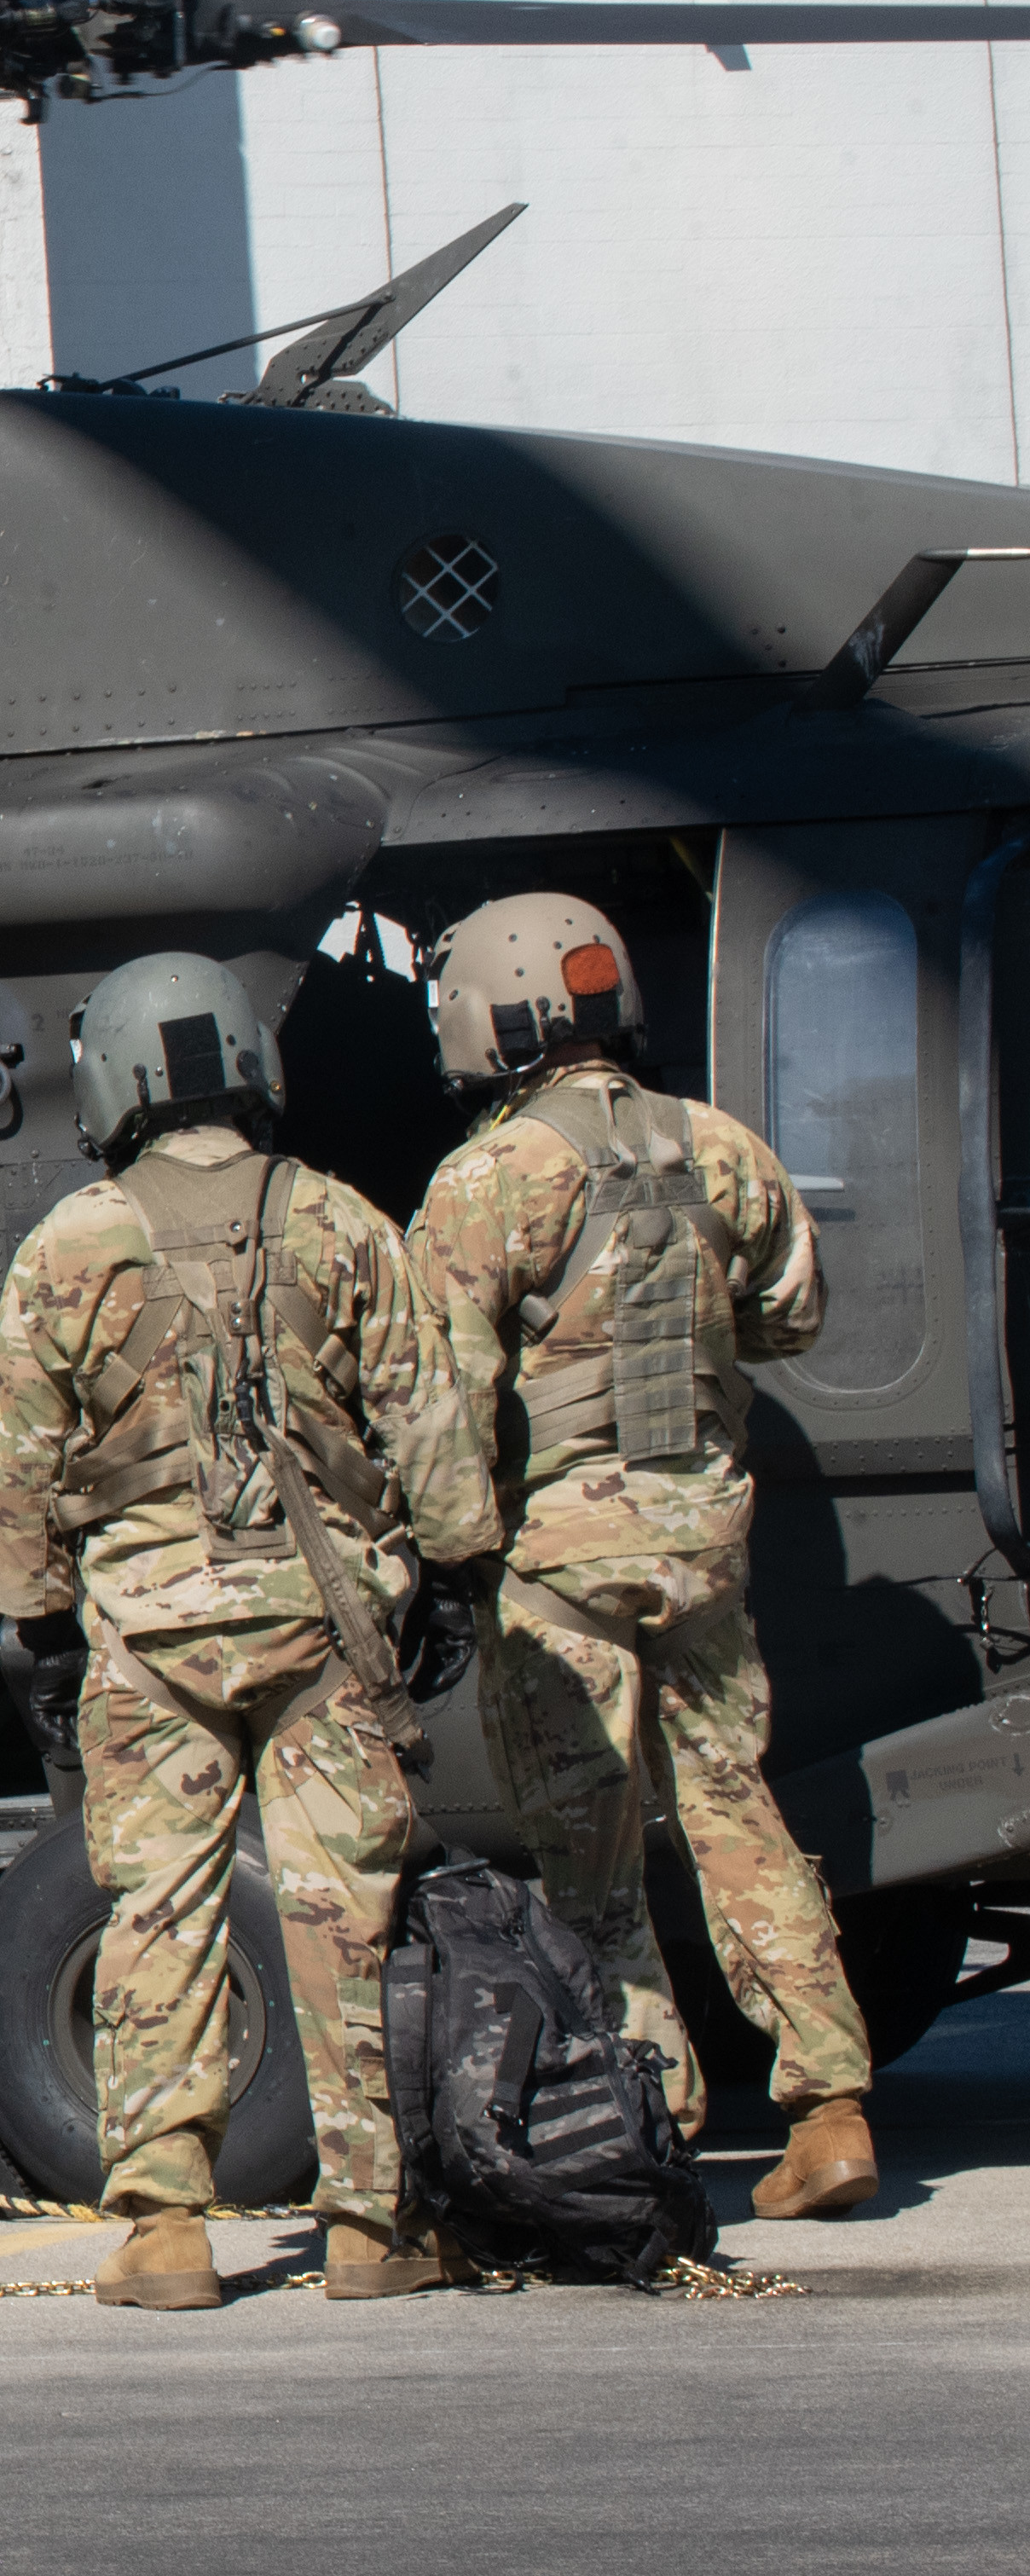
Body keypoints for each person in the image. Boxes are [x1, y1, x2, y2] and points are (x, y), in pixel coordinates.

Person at [0, 952, 503, 2309]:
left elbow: (10, 1461)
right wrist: (455, 1572)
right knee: (343, 1910)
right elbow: (429, 1417)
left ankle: (163, 2225)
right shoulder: (338, 1219)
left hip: (150, 1636)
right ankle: (373, 2223)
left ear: (118, 1079)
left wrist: (35, 1621)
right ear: (248, 1069)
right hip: (323, 1625)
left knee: (158, 1905)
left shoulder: (76, 1243)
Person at [405, 892, 871, 2220]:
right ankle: (830, 2103)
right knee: (737, 1810)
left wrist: (448, 1558)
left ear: (495, 1013)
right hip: (703, 1537)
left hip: (561, 1557)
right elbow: (790, 1315)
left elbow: (439, 1392)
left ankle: (645, 2115)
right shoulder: (721, 1145)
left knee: (590, 1857)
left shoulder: (490, 1178)